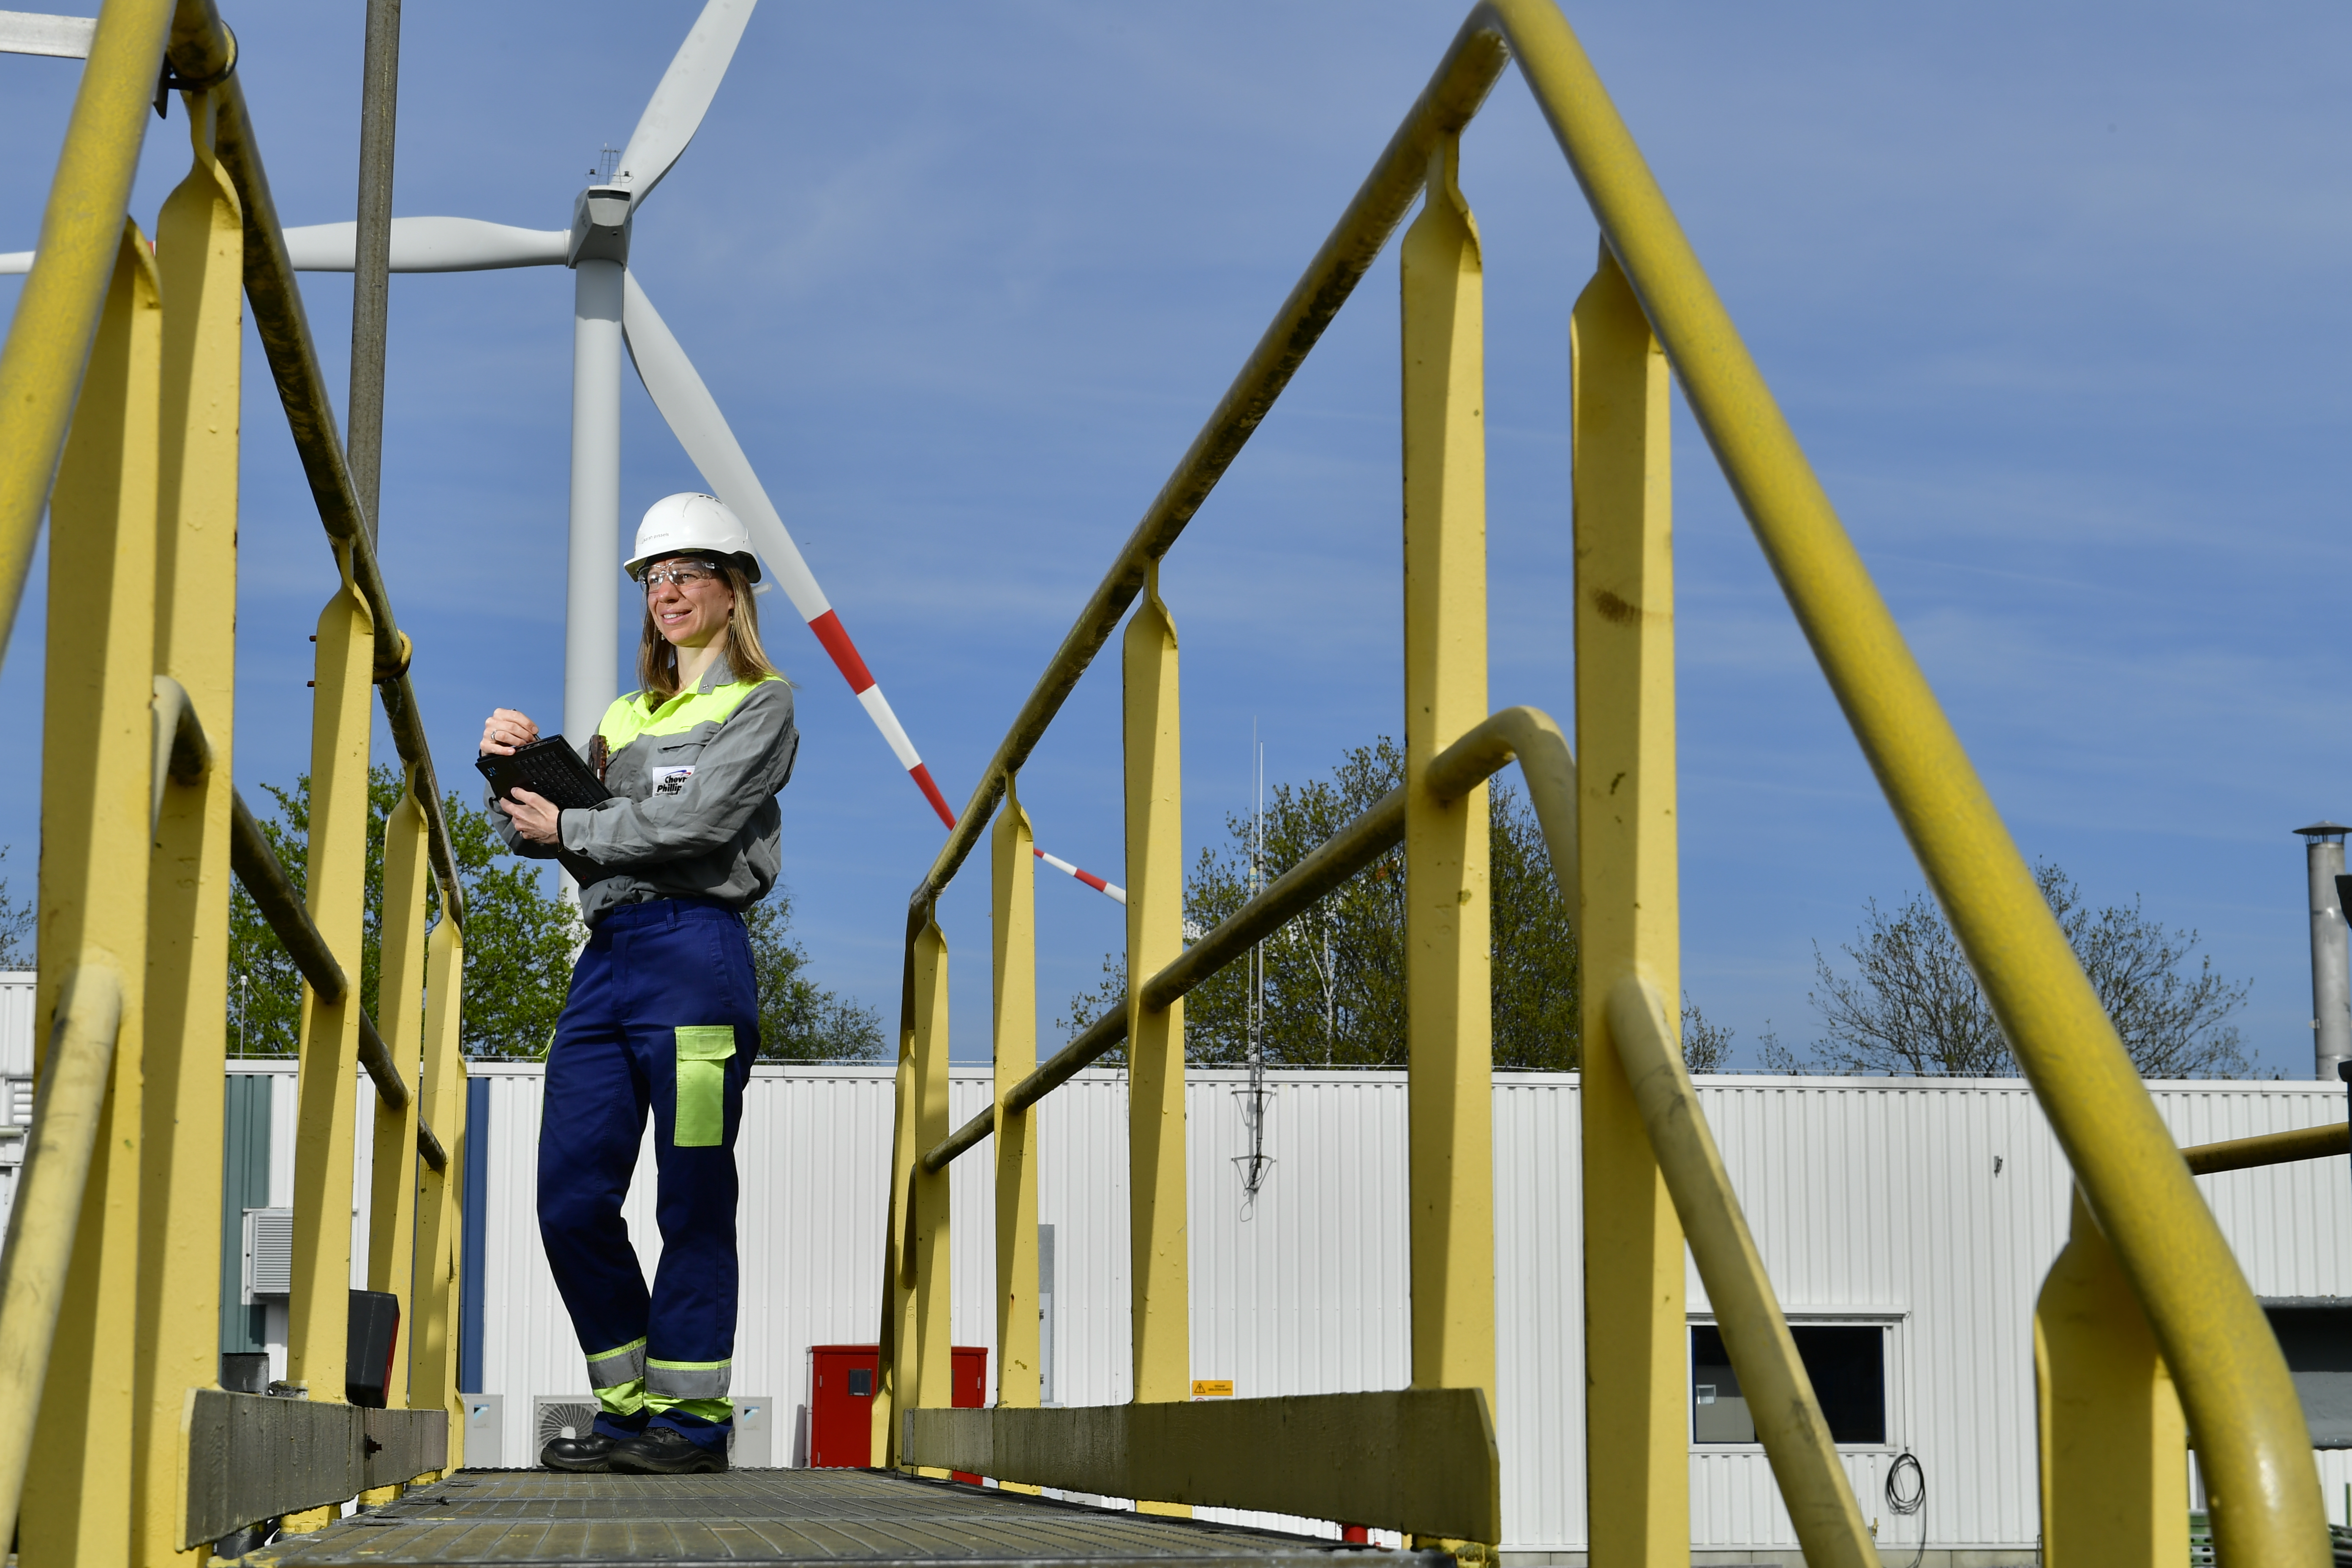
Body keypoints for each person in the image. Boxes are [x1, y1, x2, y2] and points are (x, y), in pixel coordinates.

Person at [480, 493, 799, 1475]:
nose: (666, 591)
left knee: (692, 1194)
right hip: (608, 959)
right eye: (653, 578)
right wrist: (517, 770)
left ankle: (692, 1424)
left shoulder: (763, 701)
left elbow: (696, 826)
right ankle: (627, 1408)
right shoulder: (622, 715)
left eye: (687, 573)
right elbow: (556, 833)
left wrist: (569, 826)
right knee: (570, 1197)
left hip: (697, 959)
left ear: (732, 587)